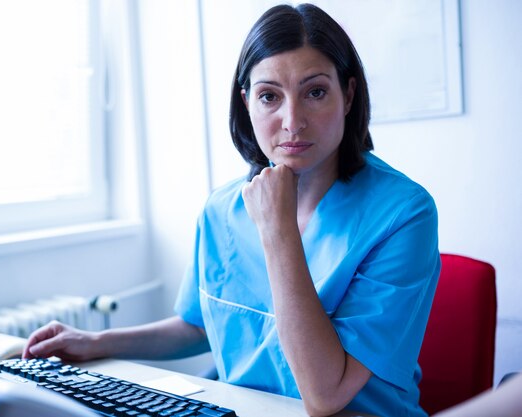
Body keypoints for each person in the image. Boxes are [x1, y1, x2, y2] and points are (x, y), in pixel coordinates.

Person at [23, 4, 440, 417]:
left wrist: (278, 233)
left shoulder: (403, 214)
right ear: (246, 103)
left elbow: (324, 396)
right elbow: (199, 325)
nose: (292, 121)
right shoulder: (222, 208)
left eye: (315, 92)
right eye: (269, 96)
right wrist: (97, 343)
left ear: (347, 95)